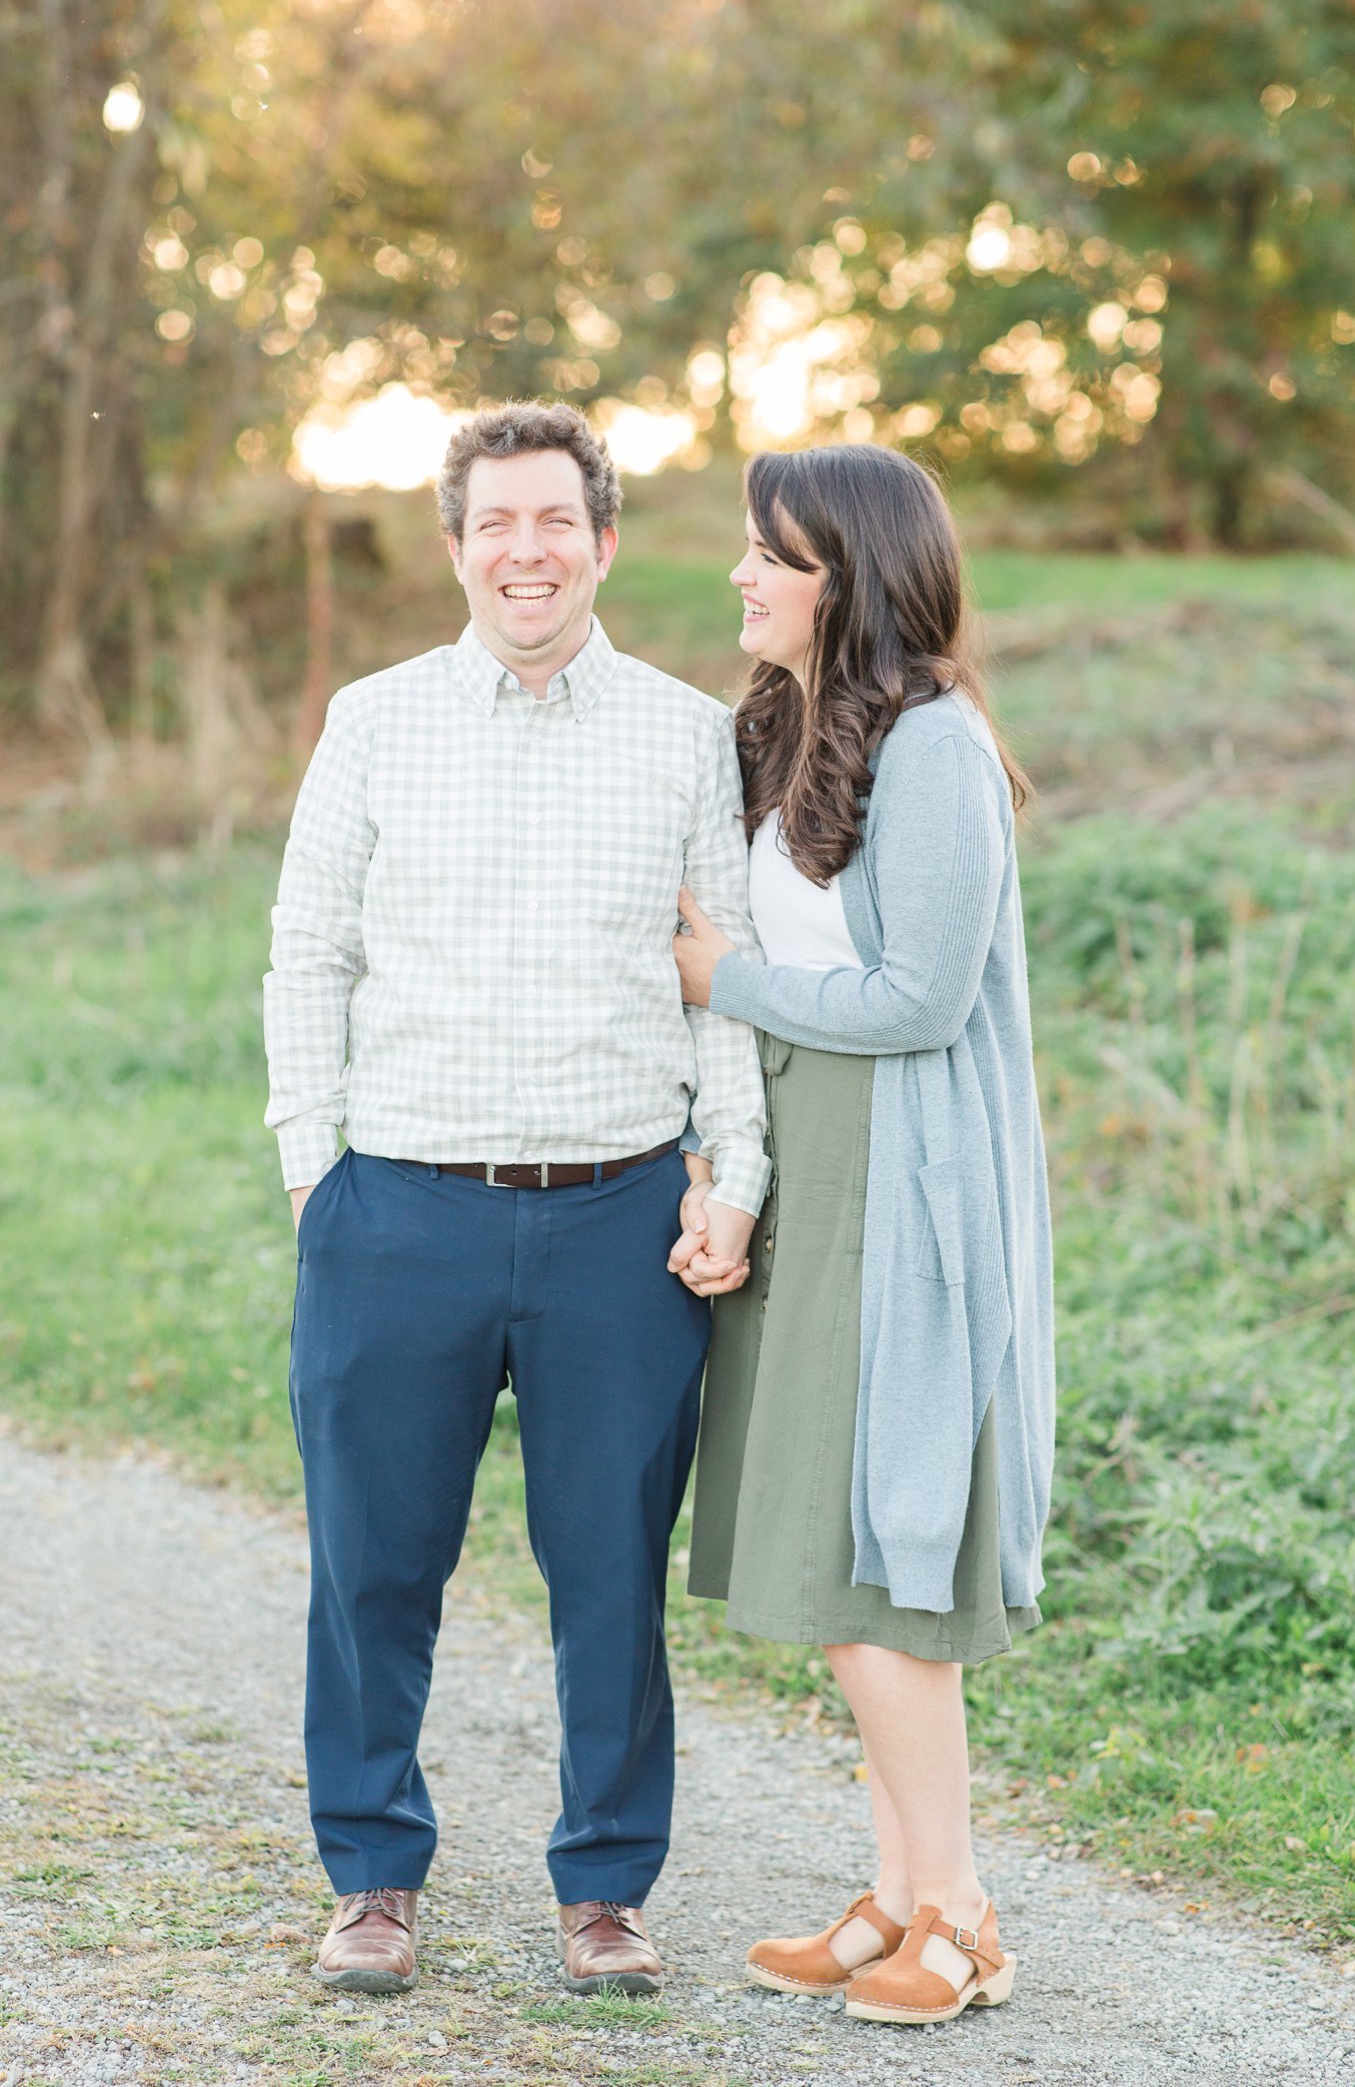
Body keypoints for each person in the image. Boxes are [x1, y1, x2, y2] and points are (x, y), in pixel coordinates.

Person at [263, 400, 768, 1998]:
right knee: (372, 1561)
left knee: (609, 1567)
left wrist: (732, 1172)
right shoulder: (374, 718)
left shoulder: (689, 734)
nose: (528, 550)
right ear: (459, 544)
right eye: (499, 523)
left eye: (558, 521)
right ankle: (371, 1875)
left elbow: (727, 990)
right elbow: (305, 956)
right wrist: (312, 1167)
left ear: (603, 541)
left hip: (618, 1217)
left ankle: (605, 1889)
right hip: (397, 1207)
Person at [672, 443, 1054, 2029]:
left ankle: (955, 1909)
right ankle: (898, 1891)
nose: (743, 578)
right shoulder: (798, 726)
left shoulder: (941, 749)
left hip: (906, 1181)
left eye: (773, 555)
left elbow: (922, 1000)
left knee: (881, 1564)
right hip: (813, 1166)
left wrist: (725, 983)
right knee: (836, 1559)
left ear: (853, 575)